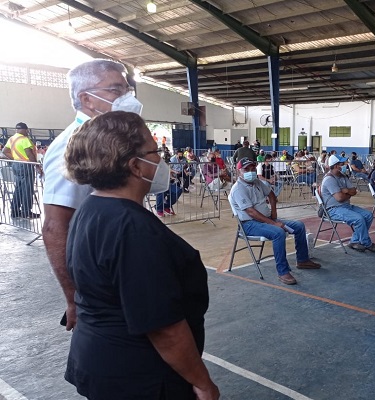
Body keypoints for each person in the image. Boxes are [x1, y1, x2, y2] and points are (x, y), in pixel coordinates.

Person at [63, 111, 219, 399]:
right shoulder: (133, 229)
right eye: (155, 151)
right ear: (136, 166)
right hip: (138, 375)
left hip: (101, 360)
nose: (160, 159)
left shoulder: (91, 209)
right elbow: (164, 328)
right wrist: (202, 382)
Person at [42, 59, 143, 331]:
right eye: (115, 90)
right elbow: (54, 225)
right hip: (98, 271)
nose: (125, 98)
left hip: (123, 259)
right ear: (87, 99)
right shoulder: (70, 145)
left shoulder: (115, 140)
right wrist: (74, 297)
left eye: (126, 90)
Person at [228, 158, 321, 285]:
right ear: (238, 171)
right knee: (278, 232)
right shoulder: (238, 189)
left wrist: (274, 213)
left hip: (266, 219)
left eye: (252, 169)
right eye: (246, 170)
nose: (250, 171)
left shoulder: (257, 182)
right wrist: (274, 223)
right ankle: (283, 271)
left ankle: (302, 260)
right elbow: (251, 212)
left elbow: (271, 195)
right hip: (249, 224)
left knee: (299, 226)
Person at [321, 154, 375, 253]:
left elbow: (354, 191)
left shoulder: (343, 176)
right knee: (358, 219)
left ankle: (355, 241)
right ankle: (367, 243)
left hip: (345, 206)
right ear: (336, 166)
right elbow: (339, 198)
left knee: (368, 215)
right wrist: (348, 193)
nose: (345, 165)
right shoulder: (329, 179)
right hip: (333, 210)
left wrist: (346, 191)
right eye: (342, 163)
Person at [2, 122, 42, 218]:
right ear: (23, 129)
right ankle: (26, 212)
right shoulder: (24, 139)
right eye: (27, 130)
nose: (27, 132)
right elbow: (29, 154)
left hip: (16, 165)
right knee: (27, 189)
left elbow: (4, 151)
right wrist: (37, 166)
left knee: (19, 189)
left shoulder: (11, 139)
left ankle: (15, 211)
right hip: (26, 166)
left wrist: (15, 159)